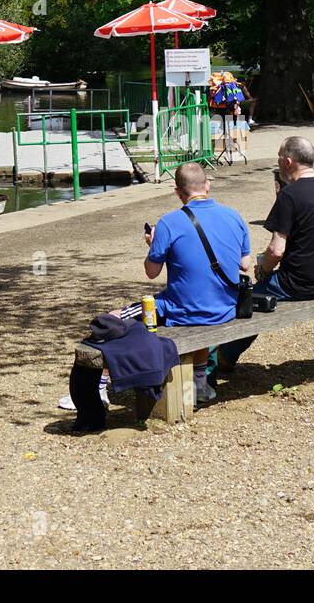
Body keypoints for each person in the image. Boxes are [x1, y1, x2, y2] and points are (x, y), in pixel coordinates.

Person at [62, 162, 251, 417]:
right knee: (198, 301)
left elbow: (151, 272)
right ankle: (200, 383)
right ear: (207, 186)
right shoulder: (234, 216)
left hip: (183, 310)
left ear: (177, 192)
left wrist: (153, 244)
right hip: (225, 308)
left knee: (111, 321)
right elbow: (245, 264)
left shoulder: (169, 223)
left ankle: (101, 387)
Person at [217, 136, 314, 371]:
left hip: (302, 282)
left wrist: (263, 270)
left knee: (248, 301)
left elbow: (276, 251)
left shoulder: (290, 195)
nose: (277, 164)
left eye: (278, 158)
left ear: (288, 162)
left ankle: (223, 356)